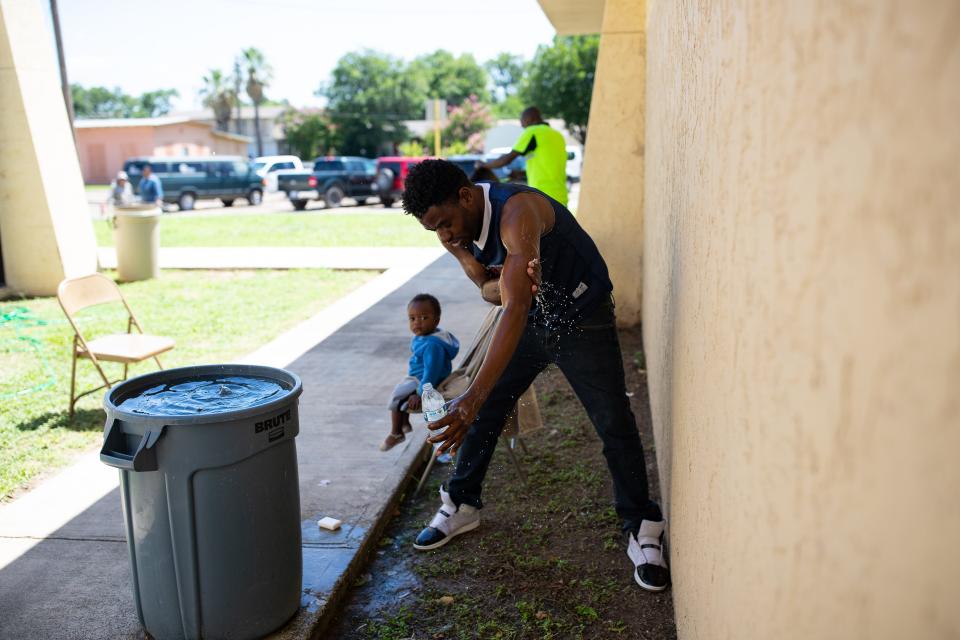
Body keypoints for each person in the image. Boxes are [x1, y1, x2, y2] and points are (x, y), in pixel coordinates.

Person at [401, 160, 670, 592]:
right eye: (434, 229)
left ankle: (643, 525)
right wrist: (477, 268)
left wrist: (468, 397)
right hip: (534, 318)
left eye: (447, 223)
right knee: (487, 408)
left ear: (467, 196)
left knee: (613, 421)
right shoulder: (459, 233)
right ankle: (462, 503)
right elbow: (493, 291)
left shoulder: (517, 213)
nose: (446, 236)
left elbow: (513, 304)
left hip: (582, 317)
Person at [382, 294, 460, 452]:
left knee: (397, 394)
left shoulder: (433, 345)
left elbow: (431, 372)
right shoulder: (426, 337)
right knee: (402, 393)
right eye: (412, 318)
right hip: (419, 377)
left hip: (423, 381)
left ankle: (396, 432)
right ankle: (404, 424)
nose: (417, 322)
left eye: (424, 317)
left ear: (436, 320)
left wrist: (419, 393)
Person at [479, 106, 568, 206]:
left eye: (523, 122)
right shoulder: (557, 135)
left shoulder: (533, 131)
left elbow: (507, 159)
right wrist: (520, 174)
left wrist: (484, 165)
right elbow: (548, 167)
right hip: (561, 196)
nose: (523, 126)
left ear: (530, 119)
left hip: (544, 197)